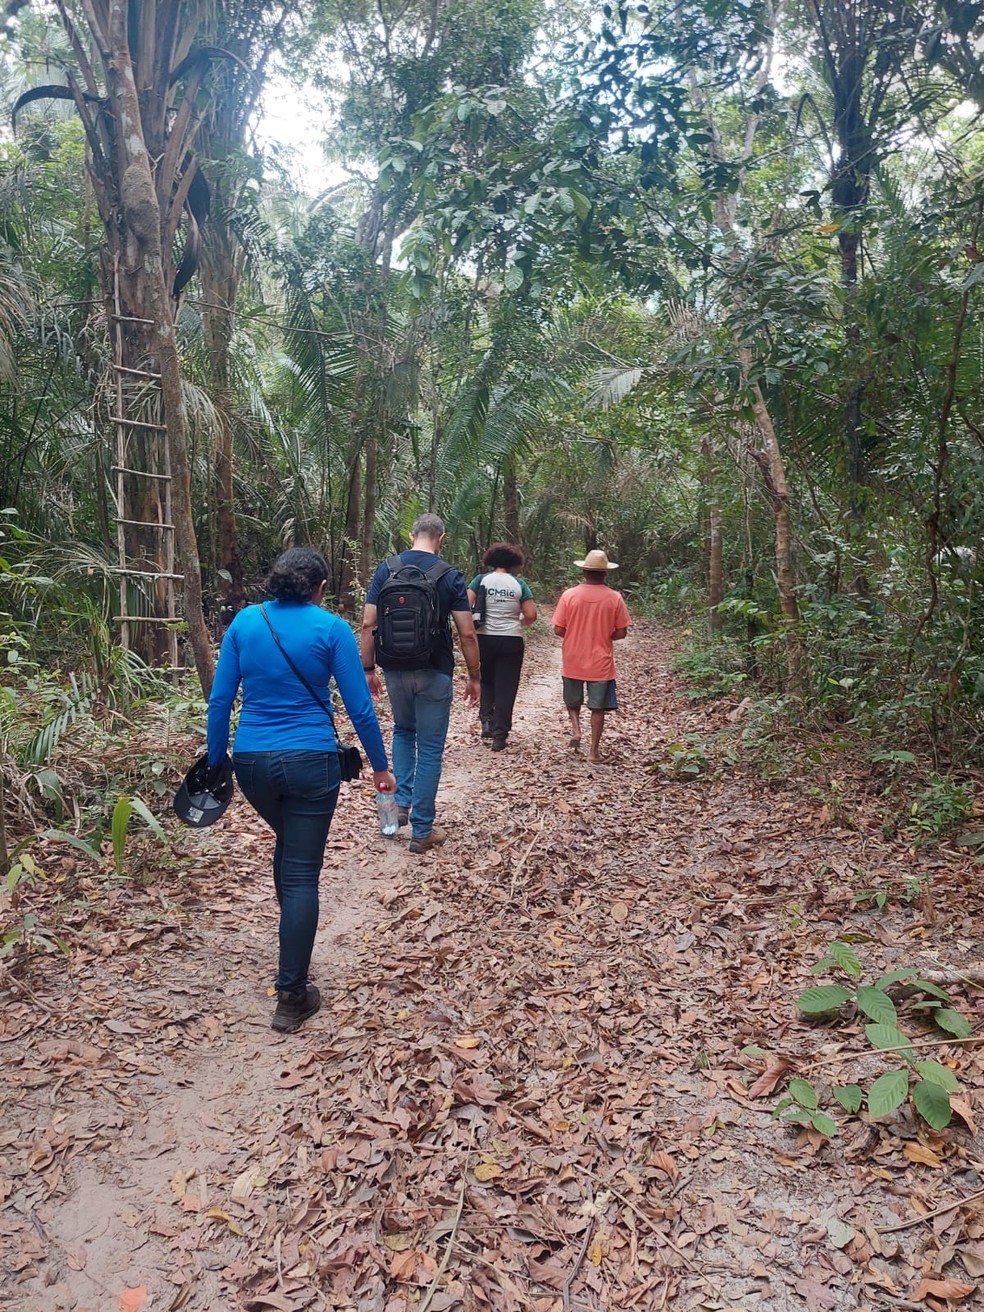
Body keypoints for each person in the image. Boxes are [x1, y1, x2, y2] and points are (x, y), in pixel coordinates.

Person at [207, 548, 396, 1034]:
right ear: (319, 588)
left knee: (289, 850)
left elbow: (222, 698)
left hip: (251, 763)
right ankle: (292, 993)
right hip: (311, 762)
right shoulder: (331, 629)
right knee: (301, 872)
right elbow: (360, 708)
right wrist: (380, 766)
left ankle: (291, 942)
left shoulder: (245, 624)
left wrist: (214, 761)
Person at [360, 513, 480, 853]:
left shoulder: (386, 569)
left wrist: (368, 669)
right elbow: (467, 633)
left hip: (394, 669)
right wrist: (474, 676)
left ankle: (400, 806)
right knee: (429, 748)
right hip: (435, 671)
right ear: (442, 538)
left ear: (412, 535)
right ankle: (422, 830)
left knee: (402, 731)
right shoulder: (450, 576)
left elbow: (368, 624)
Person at [552, 549, 630, 764]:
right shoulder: (615, 598)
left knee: (572, 699)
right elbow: (622, 632)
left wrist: (576, 634)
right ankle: (594, 752)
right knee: (597, 707)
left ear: (584, 571)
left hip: (573, 657)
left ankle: (576, 730)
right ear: (605, 574)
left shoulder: (569, 595)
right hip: (600, 661)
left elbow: (559, 629)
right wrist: (603, 634)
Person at [467, 543, 537, 752]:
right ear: (514, 563)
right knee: (507, 686)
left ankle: (486, 721)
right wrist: (517, 622)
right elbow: (531, 615)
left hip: (484, 638)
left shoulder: (480, 580)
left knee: (486, 680)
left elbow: (465, 606)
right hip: (511, 639)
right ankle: (500, 734)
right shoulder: (519, 584)